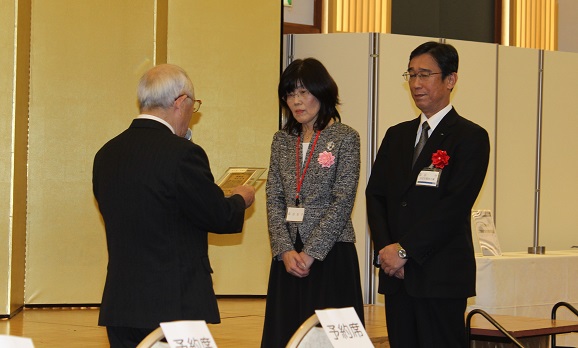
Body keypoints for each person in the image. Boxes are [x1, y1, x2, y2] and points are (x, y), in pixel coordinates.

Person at [92, 64, 256, 348]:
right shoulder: (184, 155)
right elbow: (219, 216)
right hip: (174, 305)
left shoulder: (106, 154)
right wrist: (241, 198)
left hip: (121, 304)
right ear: (181, 102)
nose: (193, 114)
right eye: (195, 105)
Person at [366, 42, 490, 348]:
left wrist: (405, 250)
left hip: (439, 277)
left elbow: (454, 206)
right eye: (410, 75)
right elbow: (376, 195)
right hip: (398, 278)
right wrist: (386, 249)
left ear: (450, 80)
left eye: (425, 74)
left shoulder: (470, 137)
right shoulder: (398, 135)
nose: (416, 83)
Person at [260, 58, 365, 348]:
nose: (297, 101)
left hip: (330, 255)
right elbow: (274, 196)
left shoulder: (345, 137)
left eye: (304, 92)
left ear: (322, 92)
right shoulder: (282, 139)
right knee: (287, 335)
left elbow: (343, 199)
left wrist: (311, 252)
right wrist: (283, 249)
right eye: (290, 94)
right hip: (288, 257)